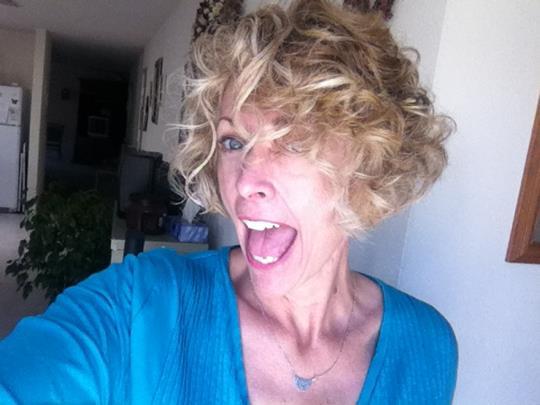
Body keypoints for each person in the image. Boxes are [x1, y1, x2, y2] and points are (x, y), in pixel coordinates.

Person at [0, 0, 457, 403]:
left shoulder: (428, 347)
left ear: (367, 160)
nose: (246, 180)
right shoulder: (141, 307)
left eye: (293, 140)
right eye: (234, 142)